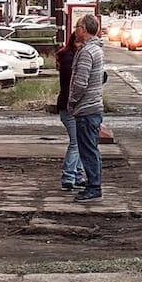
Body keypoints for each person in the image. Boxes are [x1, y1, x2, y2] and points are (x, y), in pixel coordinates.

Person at [67, 14, 105, 202]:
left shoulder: (87, 52)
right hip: (93, 107)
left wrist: (72, 101)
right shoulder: (95, 50)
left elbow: (80, 83)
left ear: (83, 29)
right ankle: (94, 184)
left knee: (88, 150)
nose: (75, 30)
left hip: (86, 108)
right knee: (91, 148)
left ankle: (93, 187)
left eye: (77, 27)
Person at [55, 26, 87, 191]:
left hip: (72, 105)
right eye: (83, 43)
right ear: (76, 42)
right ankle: (68, 176)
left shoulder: (72, 56)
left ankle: (78, 175)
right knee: (76, 142)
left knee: (80, 141)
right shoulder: (70, 58)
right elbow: (74, 80)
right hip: (69, 106)